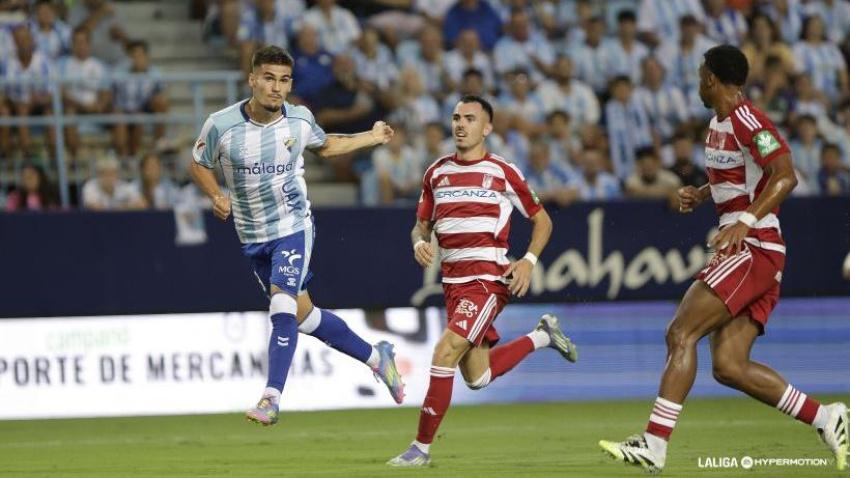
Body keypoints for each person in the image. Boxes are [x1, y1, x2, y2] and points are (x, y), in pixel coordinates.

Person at [599, 44, 848, 474]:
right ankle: (828, 418)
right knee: (729, 367)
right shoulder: (717, 125)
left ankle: (655, 444)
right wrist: (702, 194)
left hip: (754, 248)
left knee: (680, 332)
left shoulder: (748, 119)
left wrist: (747, 221)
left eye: (700, 75)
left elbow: (786, 175)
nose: (697, 83)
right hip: (750, 247)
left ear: (712, 78)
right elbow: (741, 179)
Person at [189, 46, 404, 426]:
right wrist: (216, 195)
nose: (276, 88)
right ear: (252, 79)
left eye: (284, 80)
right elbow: (199, 163)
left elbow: (326, 146)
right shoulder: (221, 125)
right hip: (252, 236)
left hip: (293, 226)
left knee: (282, 305)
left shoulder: (299, 119)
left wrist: (370, 137)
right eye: (269, 78)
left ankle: (271, 397)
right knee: (305, 318)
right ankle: (377, 357)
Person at [386, 95, 578, 467]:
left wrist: (528, 260)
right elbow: (420, 225)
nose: (460, 124)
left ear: (486, 128)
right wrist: (419, 243)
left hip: (487, 280)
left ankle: (420, 450)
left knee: (444, 352)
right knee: (477, 377)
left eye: (470, 119)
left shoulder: (504, 172)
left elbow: (543, 221)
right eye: (456, 117)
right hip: (453, 285)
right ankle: (542, 336)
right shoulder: (436, 173)